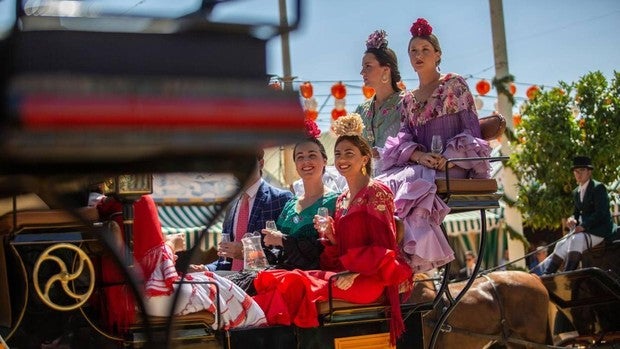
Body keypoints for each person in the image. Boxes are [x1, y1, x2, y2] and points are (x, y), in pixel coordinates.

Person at [252, 113, 413, 345]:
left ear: (365, 158)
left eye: (349, 153)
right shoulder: (342, 199)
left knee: (296, 283)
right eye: (338, 154)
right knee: (277, 278)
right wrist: (330, 236)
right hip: (344, 273)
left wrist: (356, 273)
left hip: (370, 278)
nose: (342, 159)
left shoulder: (376, 191)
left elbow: (384, 245)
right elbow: (340, 250)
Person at [376, 18, 491, 272]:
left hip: (456, 161)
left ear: (437, 54)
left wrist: (447, 157)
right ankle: (389, 252)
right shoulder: (407, 99)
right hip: (423, 164)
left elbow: (470, 129)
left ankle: (421, 253)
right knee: (382, 183)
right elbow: (405, 136)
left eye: (425, 50)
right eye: (414, 51)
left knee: (413, 182)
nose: (419, 55)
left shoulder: (453, 84)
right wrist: (418, 156)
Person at [96, 195, 267, 332]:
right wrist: (172, 245)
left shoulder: (105, 206)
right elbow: (157, 269)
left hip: (120, 296)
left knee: (212, 280)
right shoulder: (140, 201)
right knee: (218, 286)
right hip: (146, 297)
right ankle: (253, 332)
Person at [198, 149, 293, 271]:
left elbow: (284, 254)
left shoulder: (280, 198)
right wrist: (205, 269)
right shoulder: (231, 205)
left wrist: (246, 252)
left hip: (260, 284)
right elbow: (226, 260)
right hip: (230, 284)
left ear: (261, 164)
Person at [262, 119, 338, 270]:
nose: (306, 161)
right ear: (296, 165)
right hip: (283, 273)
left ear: (324, 160)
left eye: (312, 155)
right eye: (300, 157)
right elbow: (275, 248)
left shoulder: (336, 201)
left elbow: (322, 250)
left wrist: (282, 240)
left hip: (315, 277)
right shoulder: (291, 204)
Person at [540, 156, 616, 274]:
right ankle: (547, 274)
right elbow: (576, 213)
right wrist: (572, 220)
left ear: (589, 172)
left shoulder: (598, 187)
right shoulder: (576, 191)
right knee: (561, 244)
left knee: (577, 239)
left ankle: (568, 274)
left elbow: (601, 212)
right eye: (576, 171)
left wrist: (583, 226)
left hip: (600, 230)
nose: (578, 174)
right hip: (585, 231)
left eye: (582, 171)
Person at [356, 29, 404, 174]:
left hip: (398, 177)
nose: (362, 72)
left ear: (386, 70)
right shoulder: (361, 110)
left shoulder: (407, 103)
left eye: (368, 66)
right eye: (362, 67)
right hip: (365, 179)